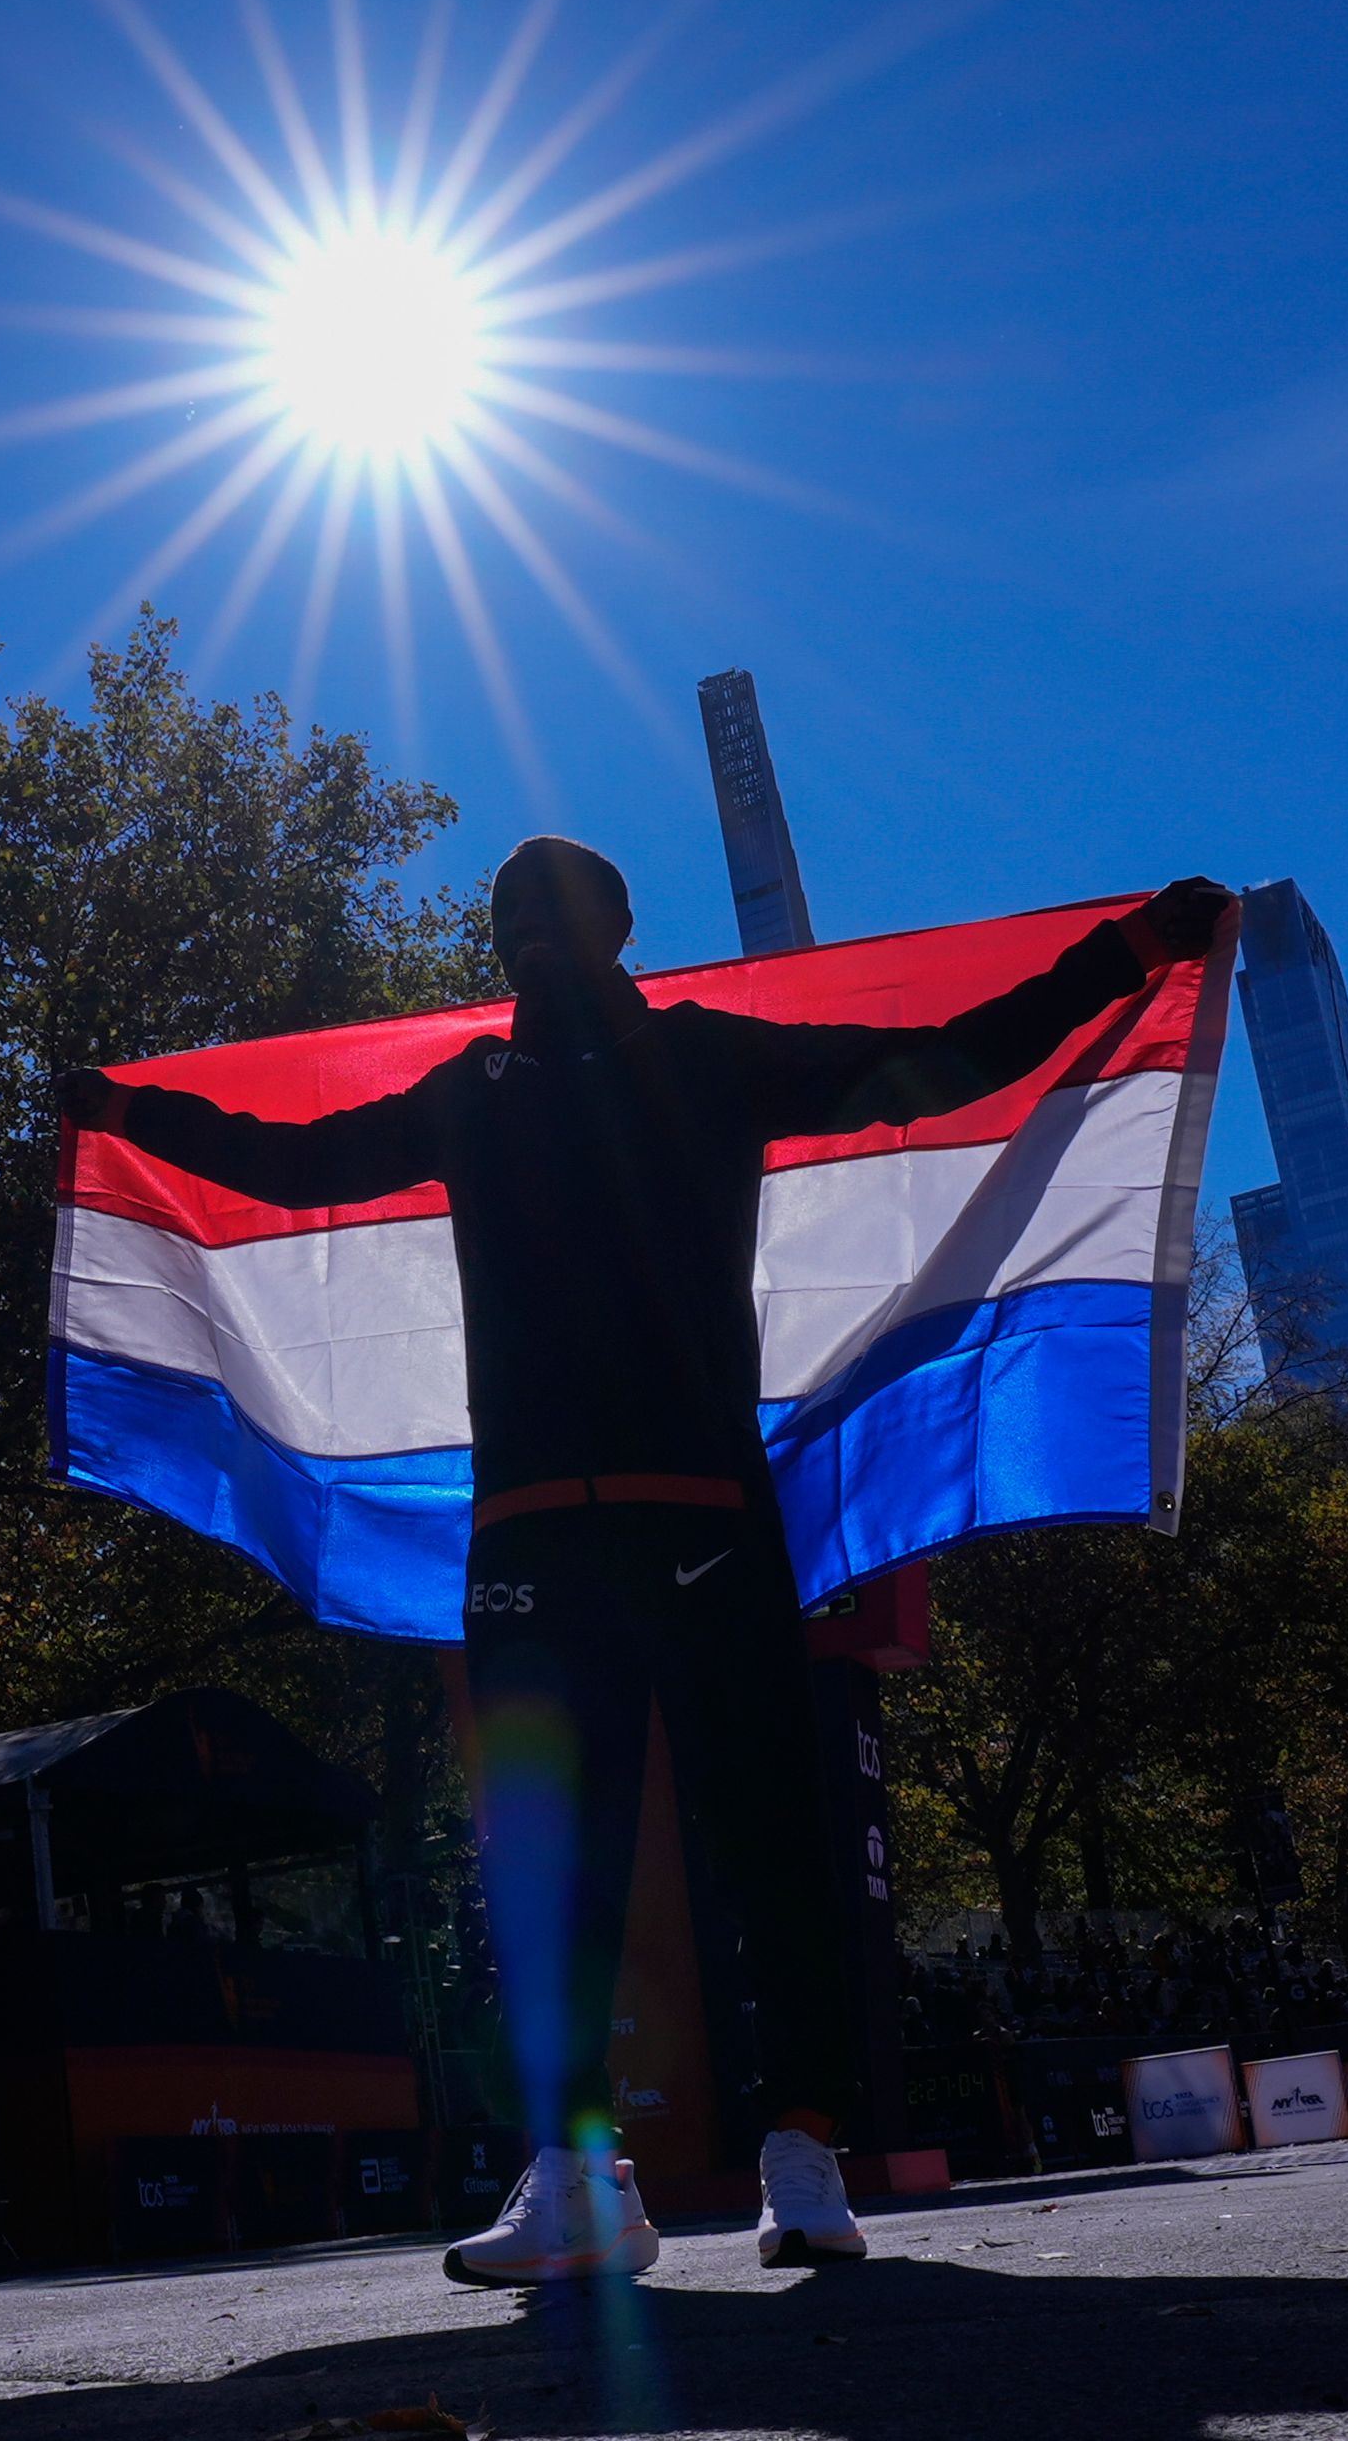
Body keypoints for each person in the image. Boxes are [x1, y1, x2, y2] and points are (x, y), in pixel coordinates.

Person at [63, 839, 1228, 2282]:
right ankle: (572, 2178)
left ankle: (801, 2156)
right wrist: (125, 1117)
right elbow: (298, 1168)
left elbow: (946, 1064)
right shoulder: (467, 1098)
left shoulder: (710, 1062)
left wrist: (1126, 961)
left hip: (704, 1515)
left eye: (554, 906)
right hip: (533, 1530)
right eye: (503, 915)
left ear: (621, 924)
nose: (525, 931)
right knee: (552, 1867)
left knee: (768, 1842)